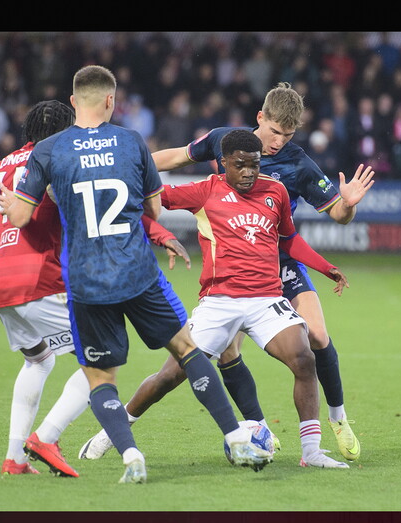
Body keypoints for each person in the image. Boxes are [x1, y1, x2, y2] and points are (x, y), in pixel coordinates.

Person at [0, 65, 272, 484]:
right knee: (187, 349)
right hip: (136, 272)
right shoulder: (130, 142)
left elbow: (19, 215)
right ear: (111, 100)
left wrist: (6, 200)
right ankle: (236, 436)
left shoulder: (50, 150)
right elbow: (154, 210)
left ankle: (130, 456)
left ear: (74, 103)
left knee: (100, 377)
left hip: (87, 280)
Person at [83, 129, 360, 468]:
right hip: (219, 301)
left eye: (255, 166)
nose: (248, 173)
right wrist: (162, 235)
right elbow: (143, 201)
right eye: (240, 165)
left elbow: (288, 239)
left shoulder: (275, 192)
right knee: (169, 377)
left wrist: (324, 266)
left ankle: (312, 452)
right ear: (224, 163)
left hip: (265, 300)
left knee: (304, 359)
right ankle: (113, 431)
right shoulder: (205, 190)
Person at [140, 82, 374, 462]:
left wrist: (348, 206)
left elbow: (337, 214)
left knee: (315, 334)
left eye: (289, 134)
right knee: (228, 350)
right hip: (233, 262)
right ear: (260, 118)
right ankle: (257, 426)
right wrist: (134, 162)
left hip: (281, 262)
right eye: (275, 131)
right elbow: (179, 157)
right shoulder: (224, 141)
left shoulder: (297, 162)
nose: (280, 141)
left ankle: (338, 418)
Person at [0, 99, 191, 478]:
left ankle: (14, 459)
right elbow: (113, 211)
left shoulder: (0, 167)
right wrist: (161, 233)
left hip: (2, 285)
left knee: (38, 360)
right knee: (102, 362)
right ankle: (46, 437)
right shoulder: (61, 162)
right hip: (41, 282)